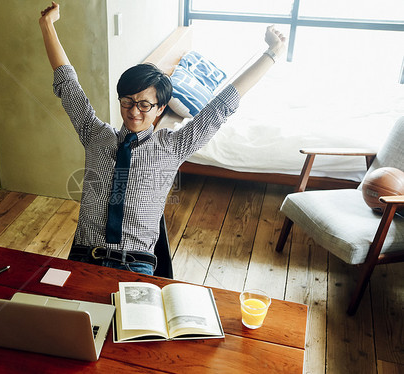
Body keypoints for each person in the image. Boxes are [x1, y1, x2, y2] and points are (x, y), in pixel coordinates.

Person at [39, 2, 286, 275]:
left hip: (136, 264)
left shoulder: (173, 146)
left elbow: (222, 106)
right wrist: (47, 26)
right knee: (64, 317)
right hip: (85, 256)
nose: (134, 111)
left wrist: (272, 54)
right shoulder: (95, 134)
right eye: (127, 101)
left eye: (145, 104)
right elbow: (68, 85)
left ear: (159, 109)